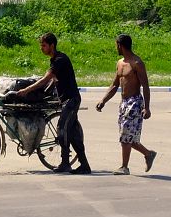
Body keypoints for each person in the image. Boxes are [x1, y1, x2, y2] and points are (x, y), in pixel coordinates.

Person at [16, 32, 90, 174]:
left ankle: (65, 163)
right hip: (67, 101)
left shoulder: (60, 59)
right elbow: (52, 81)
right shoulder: (54, 60)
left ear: (52, 45)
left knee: (62, 130)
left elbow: (46, 79)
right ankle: (84, 165)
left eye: (43, 45)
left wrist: (27, 90)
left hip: (71, 101)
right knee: (73, 134)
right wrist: (43, 93)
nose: (41, 48)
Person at [96, 34, 157, 175]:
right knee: (128, 137)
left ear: (120, 45)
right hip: (124, 103)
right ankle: (148, 154)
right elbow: (114, 85)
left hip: (135, 103)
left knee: (126, 136)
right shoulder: (120, 63)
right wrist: (103, 100)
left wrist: (147, 108)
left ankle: (124, 167)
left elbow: (146, 87)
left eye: (116, 45)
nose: (115, 48)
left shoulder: (137, 63)